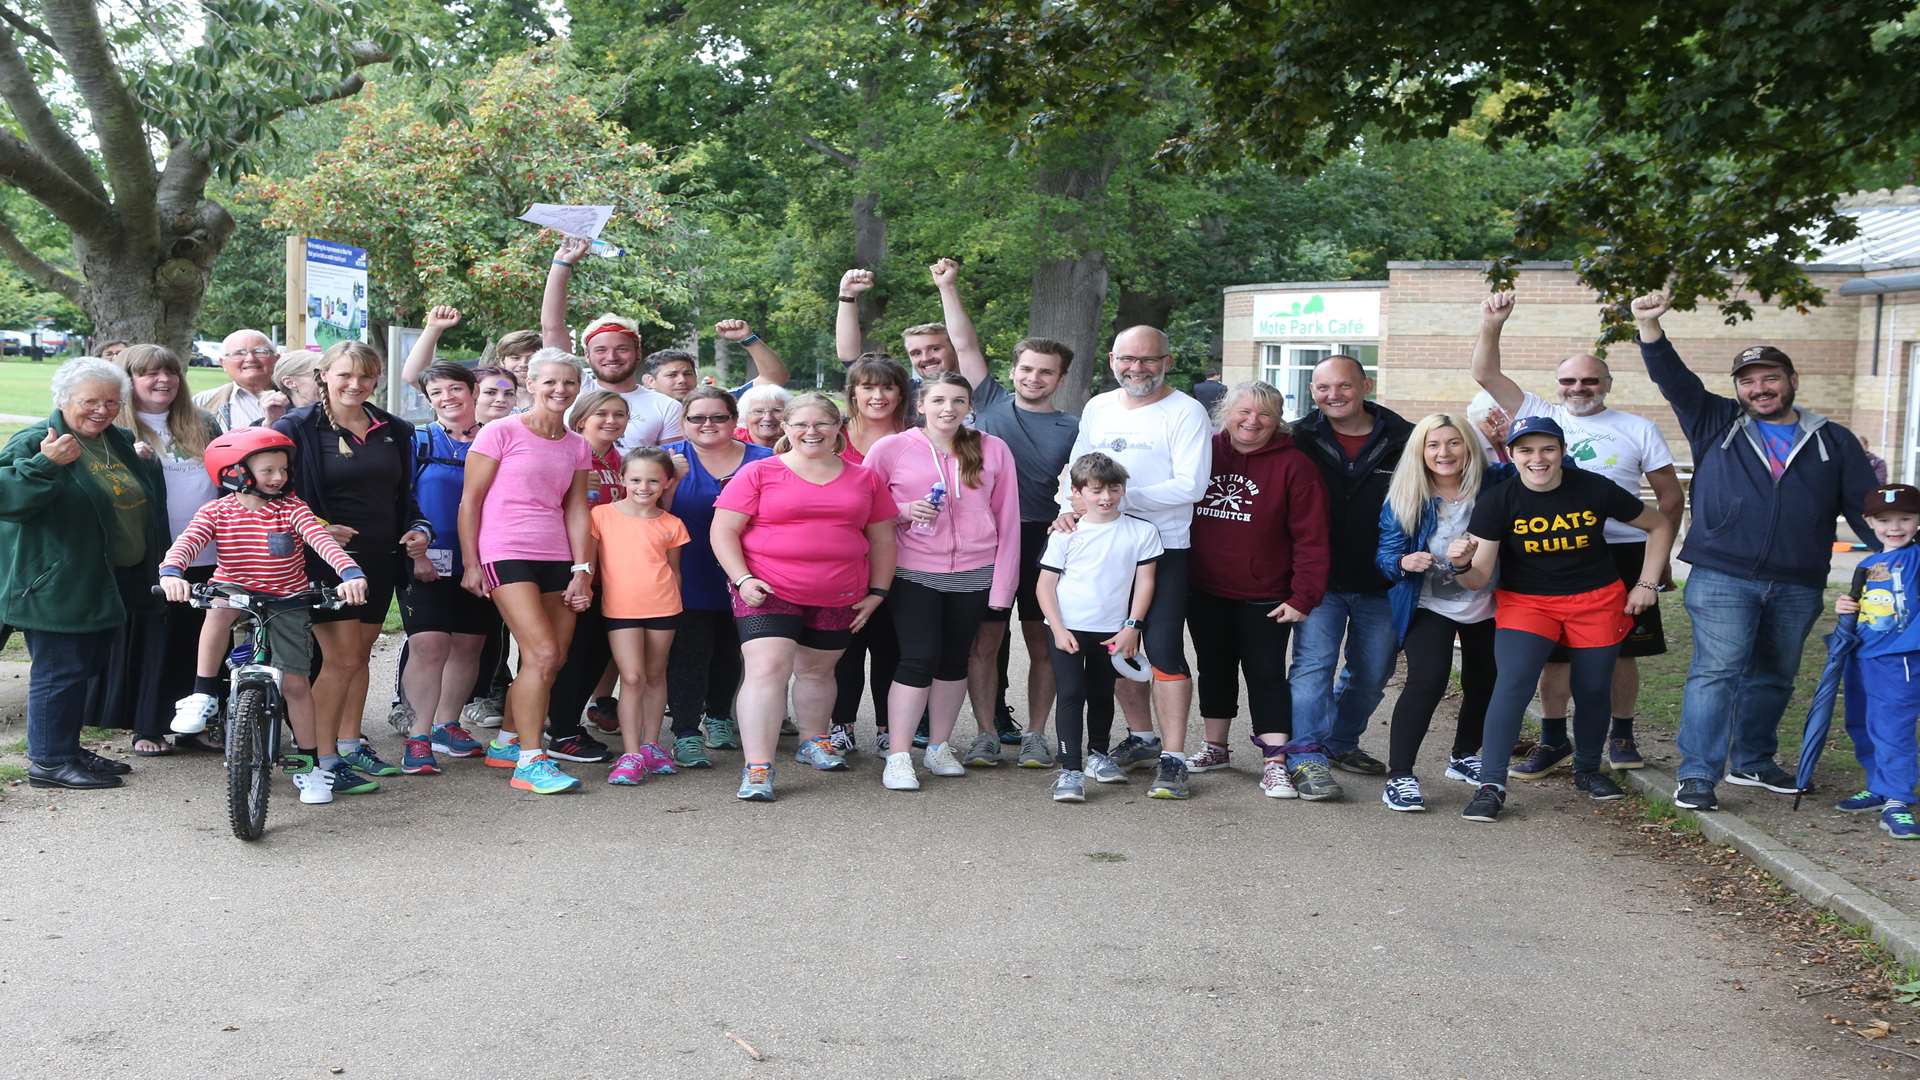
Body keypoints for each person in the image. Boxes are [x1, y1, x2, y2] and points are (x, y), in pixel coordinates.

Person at [1632, 291, 1879, 812]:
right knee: (1717, 672)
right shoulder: (1714, 422)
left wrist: (1897, 556)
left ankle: (1753, 759)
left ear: (1791, 382)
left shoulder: (1832, 438)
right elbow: (1673, 380)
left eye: (1770, 378)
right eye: (1748, 381)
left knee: (1774, 675)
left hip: (1799, 579)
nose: (1759, 388)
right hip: (1724, 574)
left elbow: (1864, 507)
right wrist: (1650, 326)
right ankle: (1698, 774)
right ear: (1738, 389)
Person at [1471, 290, 1684, 775]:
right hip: (1545, 551)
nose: (1579, 387)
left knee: (1621, 653)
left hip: (1625, 546)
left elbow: (1668, 500)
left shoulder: (1637, 427)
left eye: (1590, 380)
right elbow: (1485, 374)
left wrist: (1660, 562)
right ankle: (1552, 738)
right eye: (1569, 380)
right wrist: (1493, 324)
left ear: (1607, 383)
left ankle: (1622, 734)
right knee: (1554, 657)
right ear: (1557, 386)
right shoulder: (1542, 414)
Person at [1453, 416, 1677, 822]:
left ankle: (1587, 769)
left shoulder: (1592, 487)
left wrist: (1647, 583)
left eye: (1547, 449)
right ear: (1512, 455)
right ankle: (1491, 785)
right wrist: (1460, 567)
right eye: (1526, 451)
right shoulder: (1498, 499)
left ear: (1562, 451)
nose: (1537, 459)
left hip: (1595, 600)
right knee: (1512, 685)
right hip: (1527, 603)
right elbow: (1479, 578)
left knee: (1592, 688)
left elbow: (1659, 524)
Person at [158, 429, 370, 802]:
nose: (279, 477)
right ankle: (202, 693)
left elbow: (322, 542)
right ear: (235, 473)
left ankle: (310, 766)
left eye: (283, 470)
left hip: (287, 600)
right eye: (268, 470)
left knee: (295, 686)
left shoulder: (292, 509)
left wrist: (350, 574)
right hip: (234, 593)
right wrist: (172, 572)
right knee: (218, 609)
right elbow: (188, 542)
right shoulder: (216, 510)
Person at [710, 393, 897, 801]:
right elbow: (722, 531)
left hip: (838, 590)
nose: (811, 432)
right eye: (800, 424)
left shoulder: (864, 478)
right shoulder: (759, 473)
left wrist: (878, 592)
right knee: (768, 668)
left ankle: (815, 740)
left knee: (817, 670)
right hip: (767, 587)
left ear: (838, 429)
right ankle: (758, 766)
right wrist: (742, 579)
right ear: (787, 429)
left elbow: (882, 539)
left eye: (821, 424)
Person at [1053, 326, 1211, 799]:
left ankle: (1175, 757)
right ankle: (1142, 738)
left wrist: (1113, 502)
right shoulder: (1100, 407)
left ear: (1167, 360)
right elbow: (1078, 470)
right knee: (1112, 647)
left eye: (1148, 359)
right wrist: (1068, 507)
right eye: (1128, 359)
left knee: (1161, 649)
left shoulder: (1186, 412)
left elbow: (1191, 486)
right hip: (1102, 552)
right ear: (1111, 359)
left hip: (1162, 549)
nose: (1136, 368)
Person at [935, 257, 1080, 769]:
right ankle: (987, 733)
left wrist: (1074, 514)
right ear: (1013, 372)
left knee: (1044, 641)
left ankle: (1038, 734)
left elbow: (1084, 485)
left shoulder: (1073, 426)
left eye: (1045, 372)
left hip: (1045, 541)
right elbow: (965, 344)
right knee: (986, 639)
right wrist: (948, 287)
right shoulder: (990, 400)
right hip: (990, 539)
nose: (1034, 378)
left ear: (1060, 378)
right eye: (1026, 369)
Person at [0, 357, 167, 789]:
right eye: (90, 401)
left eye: (112, 402)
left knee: (82, 668)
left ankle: (66, 749)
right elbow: (7, 498)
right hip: (59, 581)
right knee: (59, 670)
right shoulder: (39, 439)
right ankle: (49, 762)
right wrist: (45, 465)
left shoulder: (117, 440)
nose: (102, 410)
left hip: (108, 579)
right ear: (63, 400)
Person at [275, 342, 433, 795]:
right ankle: (320, 760)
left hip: (382, 559)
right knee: (341, 658)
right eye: (344, 375)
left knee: (357, 658)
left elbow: (405, 496)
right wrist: (319, 528)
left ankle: (348, 744)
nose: (355, 384)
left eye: (365, 376)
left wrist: (419, 529)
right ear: (323, 375)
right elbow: (274, 489)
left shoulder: (395, 429)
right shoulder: (297, 427)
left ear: (377, 378)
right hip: (327, 562)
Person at [863, 373, 1021, 790]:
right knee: (918, 657)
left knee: (954, 661)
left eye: (958, 400)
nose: (948, 408)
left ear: (971, 407)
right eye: (938, 400)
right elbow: (863, 504)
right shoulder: (891, 448)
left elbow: (1008, 520)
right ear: (920, 405)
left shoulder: (992, 448)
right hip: (913, 570)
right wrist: (903, 510)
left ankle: (938, 746)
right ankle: (898, 755)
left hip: (975, 572)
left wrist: (1003, 588)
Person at [459, 349, 596, 794]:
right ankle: (530, 761)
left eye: (569, 383)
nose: (560, 390)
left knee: (551, 657)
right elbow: (470, 502)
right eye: (551, 382)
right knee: (539, 653)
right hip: (505, 551)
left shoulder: (577, 445)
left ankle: (505, 744)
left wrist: (582, 569)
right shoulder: (500, 431)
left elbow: (577, 508)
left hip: (556, 554)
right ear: (531, 385)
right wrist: (470, 563)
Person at [1187, 380, 1329, 797]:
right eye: (1244, 412)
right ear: (1225, 413)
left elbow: (1312, 538)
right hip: (1204, 587)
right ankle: (1215, 747)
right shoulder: (1204, 451)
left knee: (1266, 674)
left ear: (1278, 420)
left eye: (1265, 414)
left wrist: (1304, 596)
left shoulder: (1295, 466)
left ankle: (1274, 760)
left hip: (1267, 594)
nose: (1253, 421)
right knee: (1213, 668)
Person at [1285, 356, 1414, 800]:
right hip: (1318, 580)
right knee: (1313, 668)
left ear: (1366, 385)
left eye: (1343, 386)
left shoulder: (1405, 438)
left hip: (1381, 579)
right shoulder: (1298, 437)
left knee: (1373, 672)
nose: (1332, 395)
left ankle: (1340, 741)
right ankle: (1304, 754)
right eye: (1322, 388)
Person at [1374, 413, 1505, 812]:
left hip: (1487, 600)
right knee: (1427, 681)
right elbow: (1384, 554)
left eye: (1453, 443)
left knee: (1484, 679)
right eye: (1433, 445)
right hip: (1429, 601)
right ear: (1421, 451)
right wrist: (1401, 563)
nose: (1443, 452)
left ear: (1469, 447)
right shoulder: (1407, 495)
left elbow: (1552, 467)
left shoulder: (1496, 483)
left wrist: (1503, 443)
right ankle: (1400, 776)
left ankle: (1464, 755)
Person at [389, 361, 499, 772]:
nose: (448, 398)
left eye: (455, 389)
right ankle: (418, 734)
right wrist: (415, 554)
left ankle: (446, 724)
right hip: (425, 560)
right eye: (437, 393)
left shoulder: (495, 439)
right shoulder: (417, 441)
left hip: (482, 559)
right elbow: (401, 501)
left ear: (473, 391)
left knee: (469, 644)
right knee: (429, 645)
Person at [1036, 453, 1162, 802]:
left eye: (1113, 489)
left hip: (1113, 631)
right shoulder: (1066, 534)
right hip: (1067, 629)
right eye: (1095, 490)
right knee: (1072, 693)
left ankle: (1098, 755)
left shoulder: (1141, 531)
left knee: (1102, 693)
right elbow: (1044, 587)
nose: (1105, 497)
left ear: (1123, 489)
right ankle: (1070, 771)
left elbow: (1145, 582)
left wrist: (1132, 628)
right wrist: (1059, 630)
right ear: (1077, 492)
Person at [117, 344, 223, 755]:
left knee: (200, 641)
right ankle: (148, 726)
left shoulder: (203, 423)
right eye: (149, 374)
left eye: (170, 373)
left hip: (210, 553)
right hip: (157, 555)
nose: (163, 381)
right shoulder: (120, 428)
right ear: (129, 380)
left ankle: (195, 724)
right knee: (154, 641)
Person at [660, 388, 773, 768]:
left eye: (718, 417)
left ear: (734, 420)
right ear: (683, 423)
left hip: (749, 572)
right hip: (687, 570)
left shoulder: (766, 460)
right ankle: (686, 732)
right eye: (697, 418)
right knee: (689, 654)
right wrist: (670, 482)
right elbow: (648, 516)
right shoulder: (670, 462)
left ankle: (720, 716)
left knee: (732, 650)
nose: (708, 424)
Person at [537, 385, 634, 765]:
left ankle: (566, 724)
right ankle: (559, 729)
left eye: (619, 415)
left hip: (611, 572)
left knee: (597, 653)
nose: (611, 421)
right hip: (571, 567)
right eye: (602, 414)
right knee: (569, 654)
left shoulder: (621, 461)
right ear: (581, 420)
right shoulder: (568, 454)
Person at [592, 447, 690, 784]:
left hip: (664, 607)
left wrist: (677, 604)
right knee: (631, 678)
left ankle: (651, 745)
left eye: (653, 480)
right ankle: (630, 753)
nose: (643, 487)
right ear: (622, 479)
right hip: (620, 609)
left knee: (654, 674)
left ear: (667, 484)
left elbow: (673, 571)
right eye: (635, 479)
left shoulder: (672, 524)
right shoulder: (601, 515)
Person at [832, 355, 911, 751]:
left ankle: (887, 729)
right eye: (867, 387)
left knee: (891, 648)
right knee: (841, 649)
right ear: (853, 393)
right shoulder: (833, 436)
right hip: (842, 560)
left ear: (901, 392)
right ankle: (840, 724)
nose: (877, 396)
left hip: (905, 560)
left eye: (887, 387)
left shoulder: (919, 436)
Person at [1834, 485, 1920, 838]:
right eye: (1884, 520)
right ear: (1869, 521)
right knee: (1863, 723)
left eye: (1906, 518)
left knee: (1893, 729)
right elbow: (1869, 606)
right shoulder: (1868, 563)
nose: (1895, 527)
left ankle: (1898, 799)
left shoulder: (1916, 557)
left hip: (1900, 658)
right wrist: (1846, 608)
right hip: (1865, 655)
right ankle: (1881, 785)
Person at [543, 238, 683, 450]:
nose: (611, 357)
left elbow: (670, 467)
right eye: (600, 350)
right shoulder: (575, 390)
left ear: (638, 352)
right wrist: (562, 263)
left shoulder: (665, 406)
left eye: (622, 349)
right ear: (587, 356)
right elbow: (552, 327)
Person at [644, 320, 789, 401]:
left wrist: (747, 338)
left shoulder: (720, 401)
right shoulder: (631, 410)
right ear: (650, 381)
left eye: (688, 373)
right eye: (672, 375)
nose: (682, 380)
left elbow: (773, 379)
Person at [195, 328, 284, 432]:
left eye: (260, 351)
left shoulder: (298, 399)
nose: (250, 358)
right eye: (239, 353)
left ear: (276, 359)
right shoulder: (202, 403)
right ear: (223, 363)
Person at [737, 383, 788, 449]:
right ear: (744, 415)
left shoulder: (796, 442)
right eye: (758, 411)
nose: (768, 418)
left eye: (776, 410)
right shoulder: (731, 442)